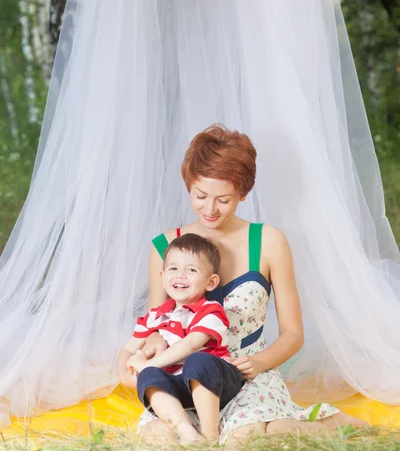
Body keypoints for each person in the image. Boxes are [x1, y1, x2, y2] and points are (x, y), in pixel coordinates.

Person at [138, 125, 368, 444]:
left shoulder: (270, 242)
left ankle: (325, 423)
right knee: (160, 438)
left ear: (243, 194)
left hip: (247, 377)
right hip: (182, 376)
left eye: (223, 200)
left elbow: (293, 334)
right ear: (188, 185)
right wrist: (149, 345)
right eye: (200, 196)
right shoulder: (165, 246)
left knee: (242, 440)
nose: (209, 209)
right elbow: (156, 323)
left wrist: (257, 363)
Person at [117, 233, 244, 443]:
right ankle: (186, 431)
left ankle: (210, 435)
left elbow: (190, 344)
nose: (180, 276)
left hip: (216, 385)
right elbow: (128, 349)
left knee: (197, 361)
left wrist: (148, 364)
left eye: (191, 270)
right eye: (173, 269)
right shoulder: (155, 316)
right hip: (179, 390)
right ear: (162, 276)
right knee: (151, 379)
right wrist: (125, 372)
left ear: (211, 282)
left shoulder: (211, 310)